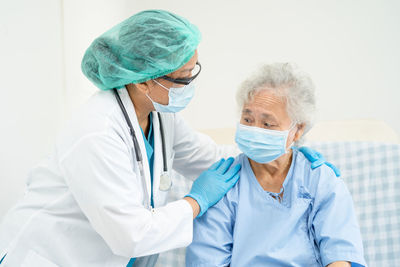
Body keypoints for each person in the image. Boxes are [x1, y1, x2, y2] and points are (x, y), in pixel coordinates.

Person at [0, 10, 330, 267]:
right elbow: (130, 236)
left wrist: (289, 160)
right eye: (185, 78)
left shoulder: (159, 114)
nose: (192, 84)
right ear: (144, 81)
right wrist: (194, 202)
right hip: (51, 257)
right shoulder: (95, 133)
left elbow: (211, 158)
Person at [186, 63, 366, 267]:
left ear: (297, 130)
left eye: (267, 124)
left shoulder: (319, 178)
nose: (254, 129)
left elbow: (340, 254)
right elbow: (206, 260)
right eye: (247, 118)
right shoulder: (224, 184)